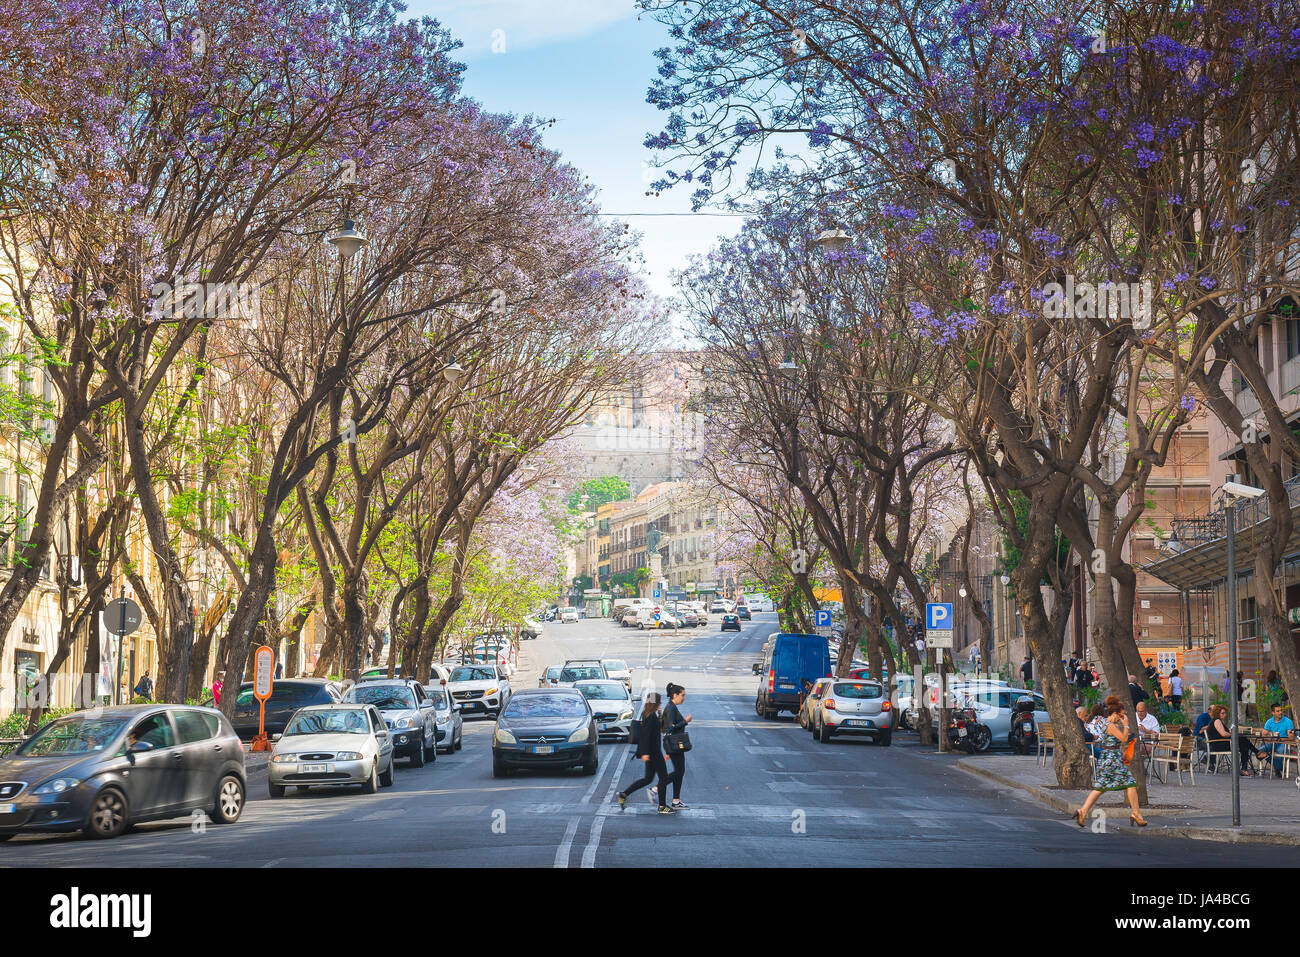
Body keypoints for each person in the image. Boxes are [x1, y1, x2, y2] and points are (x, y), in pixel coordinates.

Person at [1073, 695, 1148, 828]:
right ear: (1114, 713)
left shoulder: (1107, 724)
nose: (1121, 718)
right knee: (1130, 783)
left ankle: (1082, 811)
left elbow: (1119, 739)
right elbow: (1123, 738)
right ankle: (1136, 814)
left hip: (1108, 758)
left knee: (1100, 788)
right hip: (1112, 760)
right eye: (1120, 715)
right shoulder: (1110, 725)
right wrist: (1126, 726)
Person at [617, 692, 672, 814]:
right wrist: (645, 753)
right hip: (654, 752)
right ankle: (662, 806)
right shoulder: (650, 716)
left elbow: (660, 728)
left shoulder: (648, 714)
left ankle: (624, 794)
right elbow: (645, 736)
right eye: (659, 702)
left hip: (652, 752)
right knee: (663, 778)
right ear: (655, 702)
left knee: (648, 778)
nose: (661, 703)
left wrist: (659, 712)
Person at [1206, 703, 1262, 775]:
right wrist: (1233, 734)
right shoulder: (1217, 721)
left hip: (1220, 743)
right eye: (1222, 713)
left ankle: (1245, 768)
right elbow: (1223, 734)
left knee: (1243, 746)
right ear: (1217, 713)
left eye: (1225, 713)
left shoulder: (1216, 721)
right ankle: (1256, 753)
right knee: (1242, 739)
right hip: (1219, 745)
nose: (1224, 715)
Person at [662, 682, 692, 811]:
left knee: (680, 771)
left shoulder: (672, 707)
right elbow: (669, 728)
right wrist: (685, 721)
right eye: (683, 695)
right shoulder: (671, 708)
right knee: (679, 771)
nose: (684, 698)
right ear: (675, 695)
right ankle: (657, 788)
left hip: (675, 744)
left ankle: (676, 800)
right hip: (673, 743)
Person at [1260, 703, 1295, 776]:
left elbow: (1291, 737)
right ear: (1273, 713)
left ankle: (1277, 768)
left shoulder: (1288, 721)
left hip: (1284, 743)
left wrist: (1280, 739)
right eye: (1278, 711)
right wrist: (1268, 736)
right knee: (1260, 751)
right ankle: (1278, 767)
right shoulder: (1269, 721)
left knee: (1280, 751)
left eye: (1281, 710)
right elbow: (1264, 733)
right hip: (1272, 742)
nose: (1280, 712)